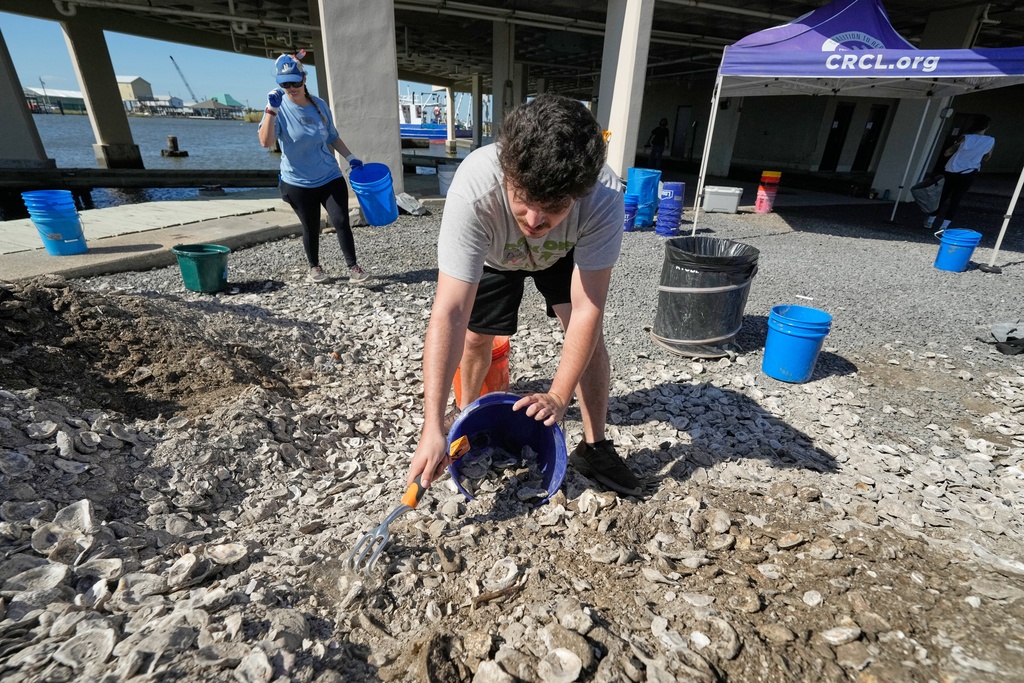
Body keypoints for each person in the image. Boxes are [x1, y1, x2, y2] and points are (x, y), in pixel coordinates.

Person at [407, 93, 643, 498]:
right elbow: (449, 311)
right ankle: (466, 419)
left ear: (579, 192)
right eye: (524, 201)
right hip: (497, 255)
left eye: (552, 207)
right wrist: (431, 424)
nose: (535, 220)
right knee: (477, 336)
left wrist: (557, 396)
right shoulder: (475, 189)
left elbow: (589, 309)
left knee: (587, 338)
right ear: (506, 174)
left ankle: (596, 444)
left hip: (564, 253)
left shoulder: (602, 196)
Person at [258, 52, 369, 284]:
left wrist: (350, 157)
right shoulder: (278, 108)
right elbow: (266, 142)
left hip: (329, 175)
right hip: (297, 182)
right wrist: (270, 110)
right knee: (311, 226)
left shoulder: (318, 105)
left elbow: (332, 137)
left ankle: (354, 268)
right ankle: (315, 267)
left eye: (295, 82)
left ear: (304, 79)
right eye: (285, 84)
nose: (291, 88)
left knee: (340, 221)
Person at [924, 116, 995, 232]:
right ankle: (944, 226)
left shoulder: (966, 138)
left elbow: (948, 152)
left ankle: (931, 220)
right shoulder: (990, 140)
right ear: (987, 127)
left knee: (942, 196)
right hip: (970, 172)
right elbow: (987, 157)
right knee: (956, 199)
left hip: (952, 170)